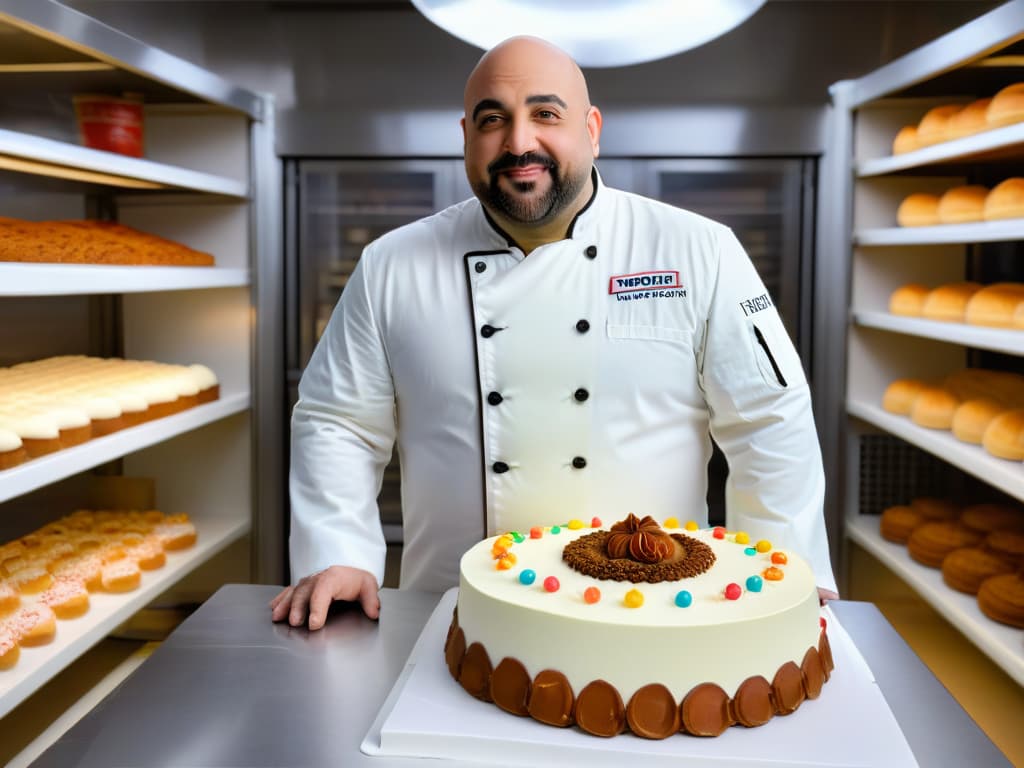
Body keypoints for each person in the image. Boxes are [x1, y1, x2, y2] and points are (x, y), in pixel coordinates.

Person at [271, 35, 838, 631]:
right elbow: (338, 423)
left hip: (658, 619)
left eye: (546, 114)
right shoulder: (392, 265)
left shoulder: (700, 250)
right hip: (450, 621)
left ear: (592, 130)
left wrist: (787, 574)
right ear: (466, 135)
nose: (519, 143)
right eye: (493, 120)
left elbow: (769, 418)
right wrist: (337, 555)